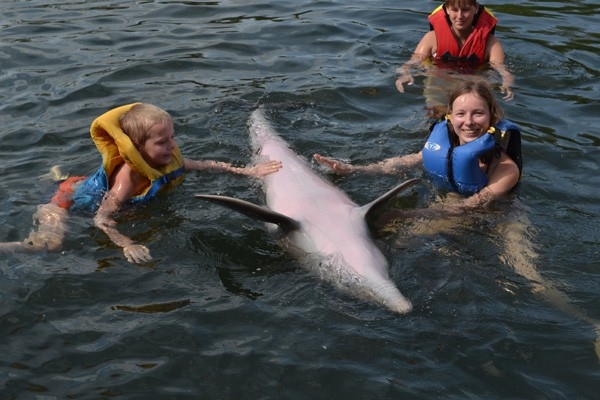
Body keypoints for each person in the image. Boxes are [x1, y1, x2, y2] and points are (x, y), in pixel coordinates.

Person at [0, 103, 282, 263]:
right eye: (162, 142)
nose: (172, 146)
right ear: (136, 148)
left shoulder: (168, 159)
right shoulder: (128, 177)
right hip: (66, 200)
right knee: (49, 244)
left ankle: (56, 174)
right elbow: (102, 219)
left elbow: (206, 165)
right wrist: (126, 243)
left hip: (80, 183)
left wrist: (248, 172)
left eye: (172, 137)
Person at [315, 80, 521, 211]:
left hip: (495, 217)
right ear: (449, 117)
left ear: (492, 116)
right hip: (448, 205)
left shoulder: (504, 168)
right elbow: (409, 161)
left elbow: (474, 204)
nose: (468, 122)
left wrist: (411, 215)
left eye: (478, 113)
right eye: (461, 114)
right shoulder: (443, 146)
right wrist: (354, 169)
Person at [395, 0, 514, 118]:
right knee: (437, 116)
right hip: (440, 83)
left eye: (466, 10)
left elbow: (502, 69)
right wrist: (405, 73)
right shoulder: (432, 38)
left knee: (474, 118)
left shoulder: (491, 43)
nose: (460, 16)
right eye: (454, 10)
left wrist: (507, 82)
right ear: (447, 9)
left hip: (474, 86)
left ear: (476, 8)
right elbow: (410, 63)